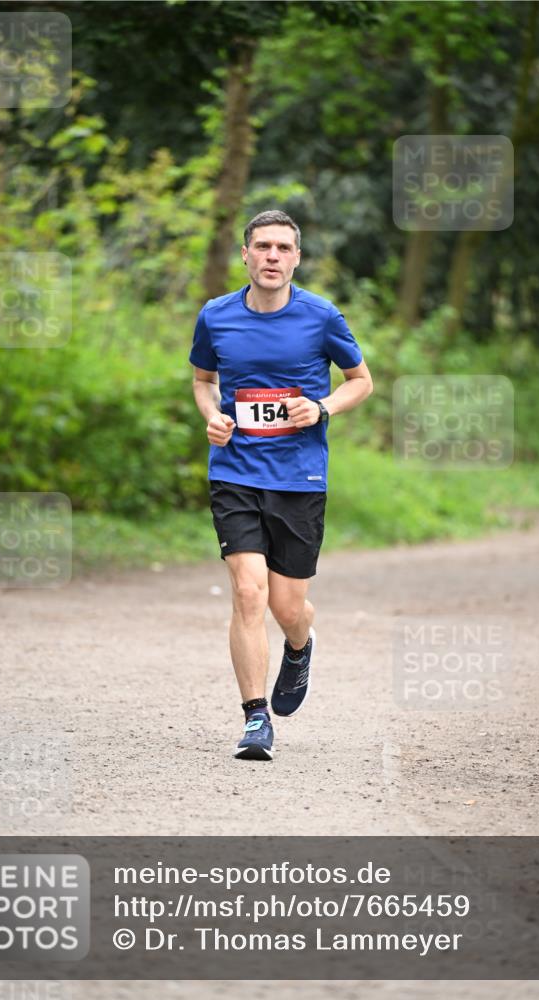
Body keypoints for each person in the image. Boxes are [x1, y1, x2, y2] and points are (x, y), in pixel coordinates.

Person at [190, 209, 374, 760]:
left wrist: (320, 407)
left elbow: (360, 382)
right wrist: (213, 416)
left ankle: (300, 643)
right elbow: (204, 381)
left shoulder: (321, 317)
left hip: (299, 477)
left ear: (296, 258)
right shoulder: (216, 316)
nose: (272, 256)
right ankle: (254, 719)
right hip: (235, 472)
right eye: (262, 246)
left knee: (288, 605)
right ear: (245, 255)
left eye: (283, 248)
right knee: (249, 591)